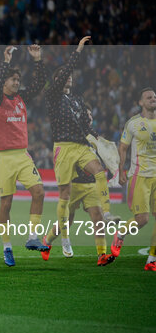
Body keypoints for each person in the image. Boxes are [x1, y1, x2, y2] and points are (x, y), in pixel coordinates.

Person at [45, 36, 114, 266]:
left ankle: (106, 217)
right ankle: (59, 239)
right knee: (65, 202)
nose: (69, 77)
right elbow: (64, 73)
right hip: (63, 147)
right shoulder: (53, 97)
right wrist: (78, 51)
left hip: (81, 147)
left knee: (99, 171)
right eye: (65, 75)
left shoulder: (77, 101)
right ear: (57, 80)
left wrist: (99, 141)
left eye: (70, 75)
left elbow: (87, 127)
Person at [0, 45, 48, 267]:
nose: (16, 82)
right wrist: (5, 62)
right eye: (12, 79)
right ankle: (7, 247)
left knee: (39, 192)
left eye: (17, 79)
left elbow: (39, 83)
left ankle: (32, 237)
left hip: (23, 155)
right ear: (4, 82)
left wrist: (38, 60)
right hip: (3, 158)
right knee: (6, 204)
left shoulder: (21, 98)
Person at [112, 87, 156, 271]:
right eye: (148, 97)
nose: (153, 99)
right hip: (140, 176)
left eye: (154, 97)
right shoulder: (133, 123)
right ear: (140, 102)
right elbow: (123, 148)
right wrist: (121, 170)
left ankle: (152, 259)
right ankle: (121, 232)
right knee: (142, 219)